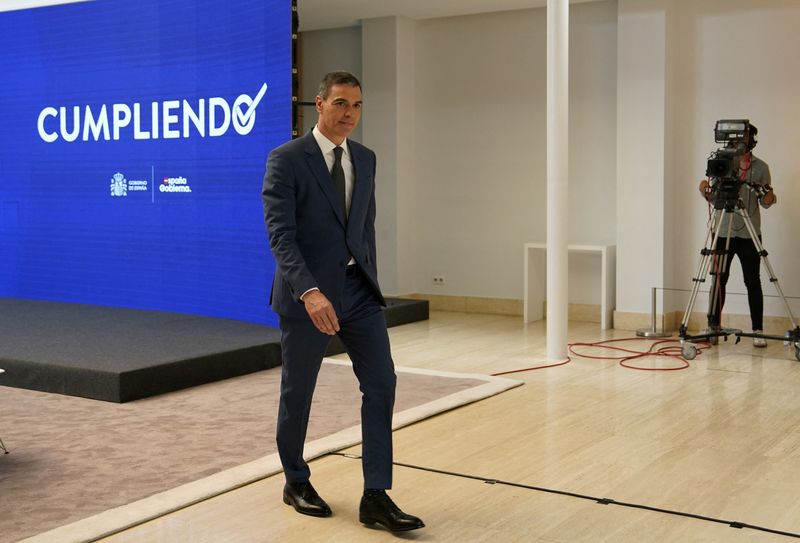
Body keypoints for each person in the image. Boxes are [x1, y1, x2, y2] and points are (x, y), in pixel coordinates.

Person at [261, 71, 424, 532]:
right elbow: (281, 236)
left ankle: (376, 495)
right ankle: (295, 479)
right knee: (299, 393)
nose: (348, 113)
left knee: (382, 385)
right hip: (308, 297)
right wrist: (309, 291)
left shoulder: (366, 159)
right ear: (319, 104)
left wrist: (369, 278)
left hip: (358, 294)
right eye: (339, 103)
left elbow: (363, 228)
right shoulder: (286, 159)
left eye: (356, 105)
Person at [698, 124, 776, 347]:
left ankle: (758, 330)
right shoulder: (721, 164)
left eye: (742, 138)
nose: (736, 143)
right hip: (723, 232)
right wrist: (705, 191)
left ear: (750, 141)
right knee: (719, 280)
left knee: (753, 281)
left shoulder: (761, 168)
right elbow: (714, 199)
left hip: (750, 233)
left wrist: (770, 196)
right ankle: (713, 327)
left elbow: (766, 202)